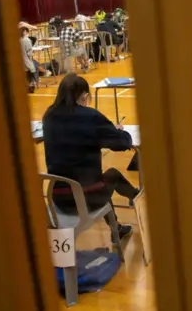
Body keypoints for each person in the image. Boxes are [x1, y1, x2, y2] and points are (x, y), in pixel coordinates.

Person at [43, 73, 140, 238]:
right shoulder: (90, 116)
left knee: (97, 181)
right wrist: (118, 132)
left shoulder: (48, 117)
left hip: (58, 198)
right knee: (110, 177)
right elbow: (121, 143)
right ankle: (137, 198)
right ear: (85, 96)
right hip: (86, 199)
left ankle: (117, 227)